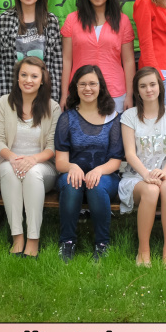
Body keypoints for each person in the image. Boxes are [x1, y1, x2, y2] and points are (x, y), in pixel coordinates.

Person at [0, 57, 61, 258]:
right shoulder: (3, 103)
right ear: (17, 77)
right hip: (7, 163)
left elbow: (52, 146)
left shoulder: (52, 107)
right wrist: (13, 158)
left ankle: (33, 239)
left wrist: (32, 160)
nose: (28, 80)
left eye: (34, 76)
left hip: (42, 166)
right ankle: (17, 237)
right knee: (10, 171)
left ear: (42, 80)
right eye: (24, 75)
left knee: (32, 174)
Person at [54, 65, 123, 263]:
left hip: (105, 177)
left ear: (100, 86)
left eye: (92, 83)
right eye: (82, 84)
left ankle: (102, 244)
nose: (87, 88)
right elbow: (60, 161)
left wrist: (98, 171)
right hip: (72, 175)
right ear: (75, 87)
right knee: (71, 184)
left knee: (96, 186)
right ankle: (67, 242)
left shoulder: (113, 117)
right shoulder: (67, 118)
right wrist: (72, 167)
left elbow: (116, 160)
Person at [119, 67, 166, 268]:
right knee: (151, 190)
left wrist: (164, 173)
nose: (149, 90)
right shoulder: (129, 116)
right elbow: (130, 153)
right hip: (136, 176)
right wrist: (146, 174)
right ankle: (143, 250)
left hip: (164, 173)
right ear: (137, 90)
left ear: (160, 87)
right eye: (143, 86)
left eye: (153, 84)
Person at [61, 0, 135, 113]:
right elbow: (67, 60)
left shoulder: (122, 20)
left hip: (114, 92)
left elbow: (128, 61)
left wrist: (129, 96)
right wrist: (64, 94)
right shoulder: (72, 19)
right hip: (81, 91)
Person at [0, 0, 62, 101]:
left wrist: (53, 98)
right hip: (13, 93)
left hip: (43, 95)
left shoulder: (51, 21)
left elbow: (56, 64)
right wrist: (3, 99)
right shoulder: (3, 20)